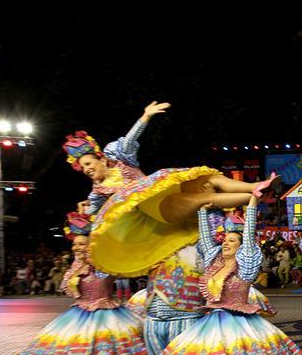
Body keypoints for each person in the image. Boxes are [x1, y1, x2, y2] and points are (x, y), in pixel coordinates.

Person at [153, 196, 302, 355]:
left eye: (233, 240)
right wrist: (202, 211)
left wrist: (253, 205)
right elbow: (206, 239)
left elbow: (249, 234)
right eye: (225, 239)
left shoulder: (246, 265)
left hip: (240, 325)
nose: (226, 242)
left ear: (243, 246)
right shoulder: (214, 264)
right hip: (214, 324)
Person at [64, 101, 280, 278]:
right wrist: (84, 214)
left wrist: (145, 117)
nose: (86, 169)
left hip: (161, 184)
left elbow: (129, 141)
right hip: (154, 207)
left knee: (208, 177)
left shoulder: (117, 155)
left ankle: (258, 186)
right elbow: (93, 221)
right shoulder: (97, 193)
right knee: (204, 198)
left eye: (88, 163)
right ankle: (252, 196)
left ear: (99, 157)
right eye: (82, 167)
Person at [15, 212, 147, 355]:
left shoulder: (103, 263)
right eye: (74, 244)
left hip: (107, 317)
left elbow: (123, 269)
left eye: (81, 244)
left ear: (91, 245)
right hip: (82, 317)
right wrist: (78, 269)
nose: (76, 248)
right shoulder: (76, 265)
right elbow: (68, 287)